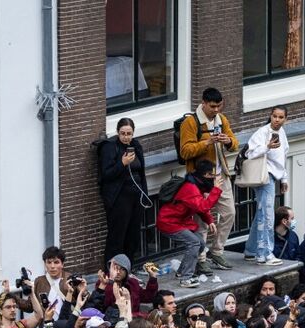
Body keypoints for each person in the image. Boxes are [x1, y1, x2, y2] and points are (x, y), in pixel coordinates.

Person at [179, 87, 238, 272]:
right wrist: (207, 142)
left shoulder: (222, 120)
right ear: (203, 103)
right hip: (201, 179)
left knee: (230, 213)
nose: (216, 110)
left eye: (219, 106)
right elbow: (185, 151)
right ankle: (201, 257)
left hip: (220, 175)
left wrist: (227, 141)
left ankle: (217, 251)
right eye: (212, 106)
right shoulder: (191, 123)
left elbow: (235, 144)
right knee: (202, 221)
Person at [157, 158, 222, 288]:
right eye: (212, 175)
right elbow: (203, 206)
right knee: (194, 242)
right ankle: (186, 278)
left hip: (180, 221)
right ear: (205, 175)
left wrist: (209, 220)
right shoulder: (190, 188)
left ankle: (181, 272)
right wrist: (216, 190)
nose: (214, 178)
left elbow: (198, 207)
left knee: (201, 244)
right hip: (169, 222)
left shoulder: (196, 185)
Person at [98, 118, 149, 265]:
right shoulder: (110, 147)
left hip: (136, 196)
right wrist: (122, 163)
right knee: (117, 235)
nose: (126, 137)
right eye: (123, 133)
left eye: (129, 133)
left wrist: (144, 194)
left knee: (132, 234)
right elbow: (106, 174)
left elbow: (142, 172)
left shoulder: (135, 145)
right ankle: (112, 269)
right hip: (119, 197)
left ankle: (127, 268)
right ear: (117, 132)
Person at [244, 105, 288, 265]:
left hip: (273, 175)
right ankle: (265, 254)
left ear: (285, 119)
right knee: (267, 215)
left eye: (281, 117)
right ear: (270, 116)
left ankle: (250, 250)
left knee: (262, 213)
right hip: (264, 176)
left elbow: (283, 155)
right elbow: (249, 153)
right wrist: (267, 147)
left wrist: (284, 179)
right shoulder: (262, 132)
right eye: (275, 116)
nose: (277, 120)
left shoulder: (282, 133)